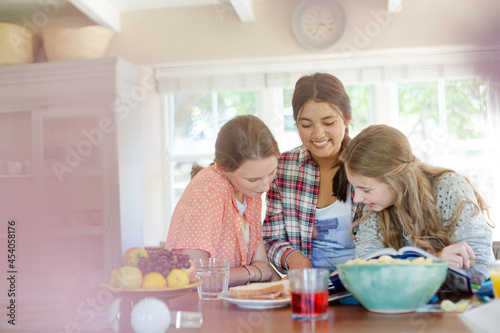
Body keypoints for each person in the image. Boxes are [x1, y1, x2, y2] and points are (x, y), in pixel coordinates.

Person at [339, 124, 495, 285]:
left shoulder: (449, 188)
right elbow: (368, 271)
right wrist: (434, 263)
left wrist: (408, 270)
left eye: (366, 189)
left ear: (397, 180)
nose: (357, 198)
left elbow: (479, 269)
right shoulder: (373, 207)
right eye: (354, 188)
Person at [263, 73, 361, 275]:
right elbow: (272, 238)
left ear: (346, 118)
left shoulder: (369, 165)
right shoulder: (282, 168)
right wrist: (291, 256)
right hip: (308, 290)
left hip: (364, 288)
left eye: (328, 123)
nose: (318, 134)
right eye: (306, 125)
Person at [165, 115, 280, 286]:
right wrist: (251, 272)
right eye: (253, 179)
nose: (265, 187)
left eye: (271, 173)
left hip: (233, 304)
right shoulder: (208, 191)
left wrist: (288, 290)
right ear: (225, 168)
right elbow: (195, 276)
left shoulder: (250, 191)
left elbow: (262, 265)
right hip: (198, 307)